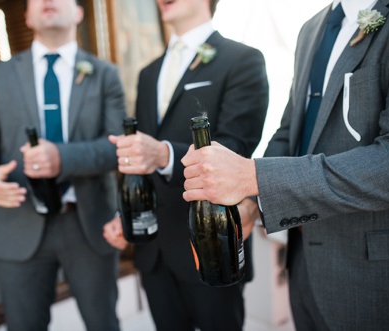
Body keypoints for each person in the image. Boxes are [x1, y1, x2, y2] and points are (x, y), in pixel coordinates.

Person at [179, 1, 389, 329]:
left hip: (373, 277)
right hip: (303, 268)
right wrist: (252, 203)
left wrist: (253, 176)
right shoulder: (311, 29)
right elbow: (289, 133)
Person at [99, 0, 268, 329]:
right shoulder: (149, 73)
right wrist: (129, 214)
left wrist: (165, 154)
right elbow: (145, 156)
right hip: (154, 253)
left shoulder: (243, 59)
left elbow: (235, 146)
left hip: (211, 243)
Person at [0, 0, 125, 329]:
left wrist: (61, 158)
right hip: (17, 224)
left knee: (103, 323)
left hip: (89, 224)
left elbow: (117, 146)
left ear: (79, 12)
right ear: (27, 16)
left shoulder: (105, 74)